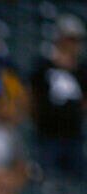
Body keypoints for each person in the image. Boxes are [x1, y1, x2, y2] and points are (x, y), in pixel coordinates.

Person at [30, 14, 87, 180]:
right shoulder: (43, 65)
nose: (72, 44)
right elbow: (32, 96)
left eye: (75, 40)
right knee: (45, 180)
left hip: (73, 136)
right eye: (69, 38)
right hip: (48, 135)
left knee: (77, 180)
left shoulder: (82, 70)